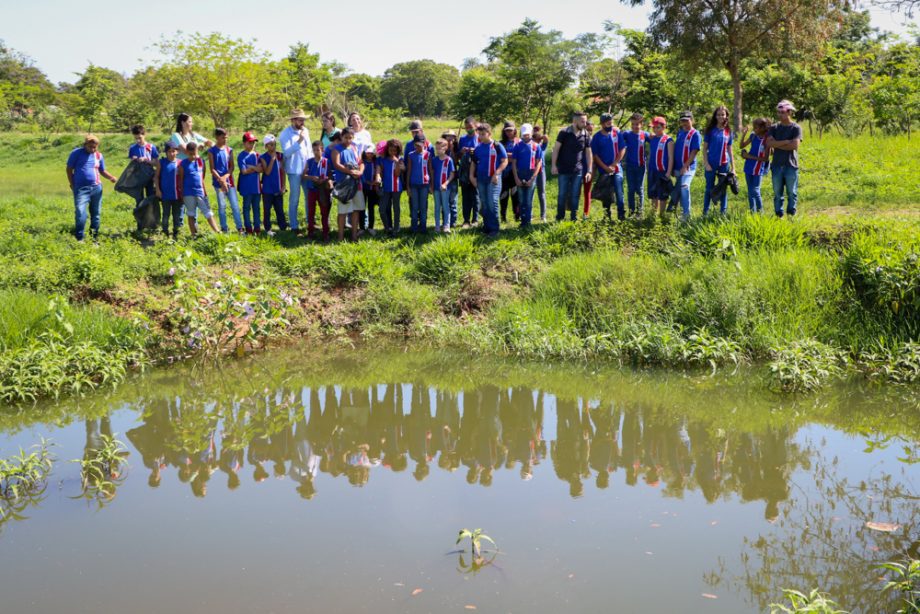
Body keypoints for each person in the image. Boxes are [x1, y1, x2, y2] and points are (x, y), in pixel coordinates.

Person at [66, 134, 116, 241]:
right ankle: (80, 238)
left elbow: (102, 170)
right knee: (80, 212)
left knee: (96, 214)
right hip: (81, 189)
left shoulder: (99, 156)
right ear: (85, 145)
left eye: (95, 147)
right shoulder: (76, 153)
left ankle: (94, 237)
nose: (93, 149)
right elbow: (69, 169)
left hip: (96, 188)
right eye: (90, 147)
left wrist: (111, 177)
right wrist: (72, 184)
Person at [552, 111, 592, 222]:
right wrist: (554, 165)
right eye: (582, 121)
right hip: (563, 170)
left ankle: (573, 218)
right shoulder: (564, 132)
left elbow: (589, 153)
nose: (585, 123)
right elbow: (556, 149)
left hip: (578, 170)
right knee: (562, 194)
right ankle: (559, 217)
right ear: (575, 121)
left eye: (585, 121)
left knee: (575, 195)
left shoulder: (585, 134)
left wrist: (589, 170)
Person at [469, 123, 507, 238]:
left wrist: (497, 173)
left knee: (492, 203)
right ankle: (487, 227)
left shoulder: (497, 146)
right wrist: (471, 176)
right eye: (479, 134)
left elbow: (504, 161)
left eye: (483, 134)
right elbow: (474, 163)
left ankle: (495, 229)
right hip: (481, 179)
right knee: (484, 203)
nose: (480, 136)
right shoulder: (478, 148)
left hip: (493, 179)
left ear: (489, 134)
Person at [766, 100, 802, 218]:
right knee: (777, 193)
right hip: (777, 165)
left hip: (791, 165)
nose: (780, 114)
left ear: (789, 112)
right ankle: (778, 215)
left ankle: (791, 214)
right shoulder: (774, 128)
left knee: (792, 192)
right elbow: (769, 144)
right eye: (779, 112)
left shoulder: (796, 128)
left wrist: (777, 143)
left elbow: (795, 146)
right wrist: (786, 141)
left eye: (782, 112)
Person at [279, 108, 312, 234]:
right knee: (294, 198)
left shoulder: (306, 131)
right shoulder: (285, 134)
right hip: (294, 170)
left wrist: (309, 165)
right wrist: (299, 140)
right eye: (300, 119)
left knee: (309, 197)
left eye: (303, 119)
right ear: (293, 120)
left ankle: (310, 223)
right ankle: (294, 225)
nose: (302, 122)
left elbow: (308, 150)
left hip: (306, 169)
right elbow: (286, 153)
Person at [330, 128, 366, 241]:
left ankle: (354, 235)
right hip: (344, 185)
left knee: (356, 210)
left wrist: (360, 172)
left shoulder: (354, 148)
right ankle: (340, 237)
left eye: (350, 138)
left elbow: (361, 162)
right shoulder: (337, 149)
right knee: (343, 211)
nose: (348, 140)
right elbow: (336, 164)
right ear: (341, 136)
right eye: (346, 137)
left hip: (357, 183)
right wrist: (350, 172)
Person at [177, 142, 219, 237]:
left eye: (195, 154)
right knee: (191, 214)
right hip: (188, 193)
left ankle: (217, 231)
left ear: (197, 151)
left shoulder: (201, 162)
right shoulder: (182, 164)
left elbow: (202, 178)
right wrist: (182, 194)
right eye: (191, 154)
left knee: (208, 212)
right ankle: (193, 235)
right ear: (187, 152)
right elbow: (181, 180)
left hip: (200, 192)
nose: (193, 156)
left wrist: (204, 191)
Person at [590, 113, 626, 220]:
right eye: (608, 123)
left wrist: (614, 164)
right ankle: (607, 215)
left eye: (611, 122)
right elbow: (595, 155)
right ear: (602, 124)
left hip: (616, 168)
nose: (610, 125)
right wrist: (605, 167)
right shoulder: (597, 137)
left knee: (619, 191)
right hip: (604, 170)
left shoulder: (617, 133)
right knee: (605, 194)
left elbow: (622, 149)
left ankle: (621, 215)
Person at [208, 128, 243, 234]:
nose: (225, 139)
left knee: (235, 205)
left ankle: (240, 227)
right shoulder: (211, 151)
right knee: (222, 206)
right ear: (217, 137)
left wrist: (225, 178)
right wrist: (221, 180)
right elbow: (212, 169)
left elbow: (232, 167)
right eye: (223, 137)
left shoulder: (229, 150)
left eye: (226, 137)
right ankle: (224, 228)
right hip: (218, 183)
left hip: (230, 182)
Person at [702, 105, 735, 215]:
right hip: (711, 163)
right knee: (709, 188)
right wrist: (706, 163)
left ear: (726, 116)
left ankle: (723, 213)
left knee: (723, 188)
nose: (721, 116)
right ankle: (705, 212)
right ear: (715, 116)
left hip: (724, 164)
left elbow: (730, 150)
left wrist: (734, 168)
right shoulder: (710, 130)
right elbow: (704, 148)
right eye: (718, 114)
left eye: (723, 114)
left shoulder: (728, 131)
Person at [510, 123, 543, 228]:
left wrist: (532, 179)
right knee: (521, 199)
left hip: (531, 174)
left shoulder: (536, 146)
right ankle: (522, 220)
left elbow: (538, 163)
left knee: (528, 199)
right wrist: (516, 178)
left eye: (528, 135)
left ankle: (527, 221)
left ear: (531, 134)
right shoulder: (517, 146)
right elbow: (514, 163)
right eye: (524, 135)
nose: (526, 137)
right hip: (520, 174)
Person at [673, 111, 701, 220]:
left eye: (687, 120)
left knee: (685, 186)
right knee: (679, 188)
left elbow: (694, 152)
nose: (684, 123)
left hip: (689, 167)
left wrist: (685, 166)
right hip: (678, 166)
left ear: (692, 120)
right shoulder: (680, 133)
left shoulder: (695, 134)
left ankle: (686, 214)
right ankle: (680, 212)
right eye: (682, 121)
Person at [740, 118, 772, 213]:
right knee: (750, 191)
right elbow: (741, 146)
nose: (754, 129)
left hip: (758, 169)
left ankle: (760, 211)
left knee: (756, 190)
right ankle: (752, 211)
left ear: (762, 128)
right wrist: (744, 135)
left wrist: (748, 156)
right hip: (748, 167)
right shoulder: (753, 136)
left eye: (756, 128)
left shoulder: (767, 140)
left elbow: (766, 158)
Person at [621, 112, 649, 217]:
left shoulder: (645, 135)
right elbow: (617, 137)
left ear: (641, 124)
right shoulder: (627, 134)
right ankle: (631, 212)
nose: (635, 126)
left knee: (640, 189)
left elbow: (655, 141)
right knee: (631, 189)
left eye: (637, 124)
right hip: (630, 166)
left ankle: (639, 212)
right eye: (633, 124)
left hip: (641, 166)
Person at [304, 140, 332, 241]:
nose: (316, 152)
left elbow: (330, 175)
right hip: (312, 189)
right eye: (314, 150)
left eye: (318, 150)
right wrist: (312, 177)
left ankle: (325, 233)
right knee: (311, 212)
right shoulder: (310, 161)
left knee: (324, 212)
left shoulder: (326, 162)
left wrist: (325, 180)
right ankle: (310, 232)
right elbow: (303, 175)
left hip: (323, 190)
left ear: (322, 150)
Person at [647, 116, 675, 218]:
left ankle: (662, 215)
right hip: (652, 170)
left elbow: (671, 157)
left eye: (658, 127)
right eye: (653, 127)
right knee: (653, 193)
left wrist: (668, 172)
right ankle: (653, 214)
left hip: (663, 171)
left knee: (662, 195)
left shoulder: (668, 140)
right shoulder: (653, 139)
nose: (655, 129)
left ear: (664, 127)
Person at [155, 141, 182, 239]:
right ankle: (165, 232)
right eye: (169, 151)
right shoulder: (161, 162)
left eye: (174, 151)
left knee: (176, 215)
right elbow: (156, 177)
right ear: (166, 152)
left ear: (177, 151)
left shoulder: (180, 163)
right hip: (165, 194)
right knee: (165, 214)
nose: (172, 153)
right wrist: (158, 190)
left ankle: (176, 232)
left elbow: (183, 179)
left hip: (177, 195)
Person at [376, 139, 404, 236]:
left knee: (396, 209)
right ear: (387, 149)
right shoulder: (382, 159)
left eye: (394, 151)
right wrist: (378, 177)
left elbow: (397, 174)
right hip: (386, 188)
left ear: (398, 150)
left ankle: (396, 228)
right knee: (382, 209)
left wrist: (397, 163)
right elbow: (378, 171)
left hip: (397, 188)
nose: (392, 152)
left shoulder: (400, 159)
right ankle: (387, 227)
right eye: (390, 150)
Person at [260, 134, 287, 232]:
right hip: (267, 189)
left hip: (278, 188)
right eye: (270, 144)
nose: (273, 146)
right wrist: (272, 159)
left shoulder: (280, 155)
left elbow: (283, 171)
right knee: (267, 210)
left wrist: (283, 186)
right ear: (266, 146)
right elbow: (267, 172)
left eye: (274, 144)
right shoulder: (263, 157)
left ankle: (283, 228)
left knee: (279, 209)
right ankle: (268, 228)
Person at [237, 131, 262, 234]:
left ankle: (257, 227)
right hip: (246, 187)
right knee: (246, 207)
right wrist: (255, 168)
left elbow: (261, 169)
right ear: (244, 143)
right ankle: (248, 228)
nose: (252, 145)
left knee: (256, 208)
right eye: (249, 142)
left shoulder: (257, 155)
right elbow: (244, 171)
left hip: (257, 187)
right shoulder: (241, 156)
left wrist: (251, 167)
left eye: (253, 143)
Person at [457, 117, 480, 227]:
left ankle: (475, 219)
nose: (468, 129)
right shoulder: (462, 139)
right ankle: (466, 220)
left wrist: (474, 151)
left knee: (475, 196)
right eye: (466, 128)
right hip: (465, 171)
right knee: (465, 196)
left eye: (470, 127)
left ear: (475, 126)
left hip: (476, 170)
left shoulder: (479, 138)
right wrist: (461, 151)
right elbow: (459, 154)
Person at [406, 135, 432, 233]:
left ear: (424, 143)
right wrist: (408, 186)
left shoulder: (428, 155)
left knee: (423, 206)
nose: (418, 147)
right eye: (416, 145)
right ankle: (414, 227)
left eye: (420, 145)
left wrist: (431, 184)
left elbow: (430, 170)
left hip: (424, 184)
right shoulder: (410, 155)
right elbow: (409, 170)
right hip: (414, 184)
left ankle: (423, 226)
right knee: (414, 206)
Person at [128, 124, 158, 204]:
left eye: (139, 138)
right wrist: (134, 160)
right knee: (139, 198)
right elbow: (131, 163)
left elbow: (156, 163)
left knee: (150, 196)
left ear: (144, 135)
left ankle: (150, 215)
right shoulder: (132, 148)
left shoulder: (151, 147)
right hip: (137, 177)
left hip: (149, 176)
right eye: (136, 138)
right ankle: (140, 215)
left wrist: (146, 160)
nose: (138, 140)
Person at [431, 138, 456, 233]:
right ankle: (437, 226)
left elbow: (452, 174)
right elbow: (432, 173)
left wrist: (445, 184)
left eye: (439, 148)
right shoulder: (434, 160)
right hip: (436, 188)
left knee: (446, 206)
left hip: (445, 188)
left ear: (445, 148)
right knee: (437, 207)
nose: (437, 150)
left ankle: (446, 226)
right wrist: (432, 185)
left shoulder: (449, 160)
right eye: (436, 148)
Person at [499, 121, 520, 223]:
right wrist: (511, 156)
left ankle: (517, 215)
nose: (509, 133)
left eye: (510, 130)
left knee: (515, 194)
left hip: (516, 173)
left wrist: (508, 156)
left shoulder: (519, 142)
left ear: (515, 130)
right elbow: (501, 157)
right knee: (504, 195)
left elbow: (519, 156)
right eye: (507, 131)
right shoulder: (501, 143)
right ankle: (503, 217)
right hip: (504, 173)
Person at [442, 129, 460, 227]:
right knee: (444, 201)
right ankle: (445, 221)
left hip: (453, 178)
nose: (450, 138)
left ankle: (453, 222)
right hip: (443, 178)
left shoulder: (456, 149)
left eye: (451, 136)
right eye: (447, 136)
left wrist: (452, 149)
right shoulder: (442, 148)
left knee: (453, 201)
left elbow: (455, 161)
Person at [532, 125, 549, 221]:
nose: (536, 140)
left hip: (541, 171)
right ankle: (530, 215)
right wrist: (533, 137)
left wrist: (540, 137)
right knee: (531, 193)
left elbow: (546, 138)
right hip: (531, 170)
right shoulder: (530, 146)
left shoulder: (542, 146)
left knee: (541, 193)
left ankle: (543, 215)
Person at [360, 146, 378, 234]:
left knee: (371, 208)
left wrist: (375, 182)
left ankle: (371, 227)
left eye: (371, 153)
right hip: (363, 188)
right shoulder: (362, 162)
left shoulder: (375, 163)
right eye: (368, 153)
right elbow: (361, 175)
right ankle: (362, 227)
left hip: (372, 190)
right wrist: (368, 182)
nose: (369, 155)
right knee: (362, 208)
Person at [582, 121, 595, 219]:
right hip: (578, 169)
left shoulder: (594, 140)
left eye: (591, 130)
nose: (589, 132)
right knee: (575, 191)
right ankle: (573, 212)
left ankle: (586, 213)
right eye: (588, 130)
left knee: (587, 192)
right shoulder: (580, 139)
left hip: (589, 170)